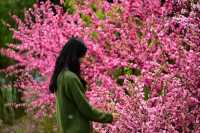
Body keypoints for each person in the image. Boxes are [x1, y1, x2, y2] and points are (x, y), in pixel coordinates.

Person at [49, 37, 120, 133]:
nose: (83, 60)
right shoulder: (70, 78)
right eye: (82, 56)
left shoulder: (60, 76)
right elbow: (85, 109)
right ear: (75, 57)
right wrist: (109, 117)